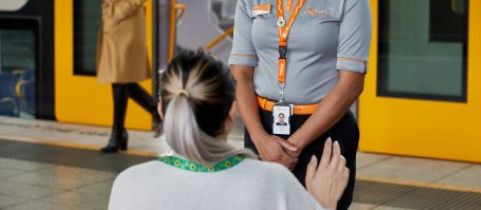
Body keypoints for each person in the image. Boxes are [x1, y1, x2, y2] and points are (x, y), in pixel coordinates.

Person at [228, 0, 372, 209]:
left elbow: (351, 82)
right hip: (261, 129)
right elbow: (240, 75)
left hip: (324, 130)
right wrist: (261, 139)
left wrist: (292, 146)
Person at [108, 49, 349, 210]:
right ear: (232, 112)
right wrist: (321, 204)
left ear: (162, 110)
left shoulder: (129, 185)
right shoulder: (274, 183)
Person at [97, 0, 161, 153]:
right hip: (113, 24)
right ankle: (143, 120)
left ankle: (118, 133)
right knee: (121, 80)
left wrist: (122, 9)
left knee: (120, 80)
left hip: (126, 24)